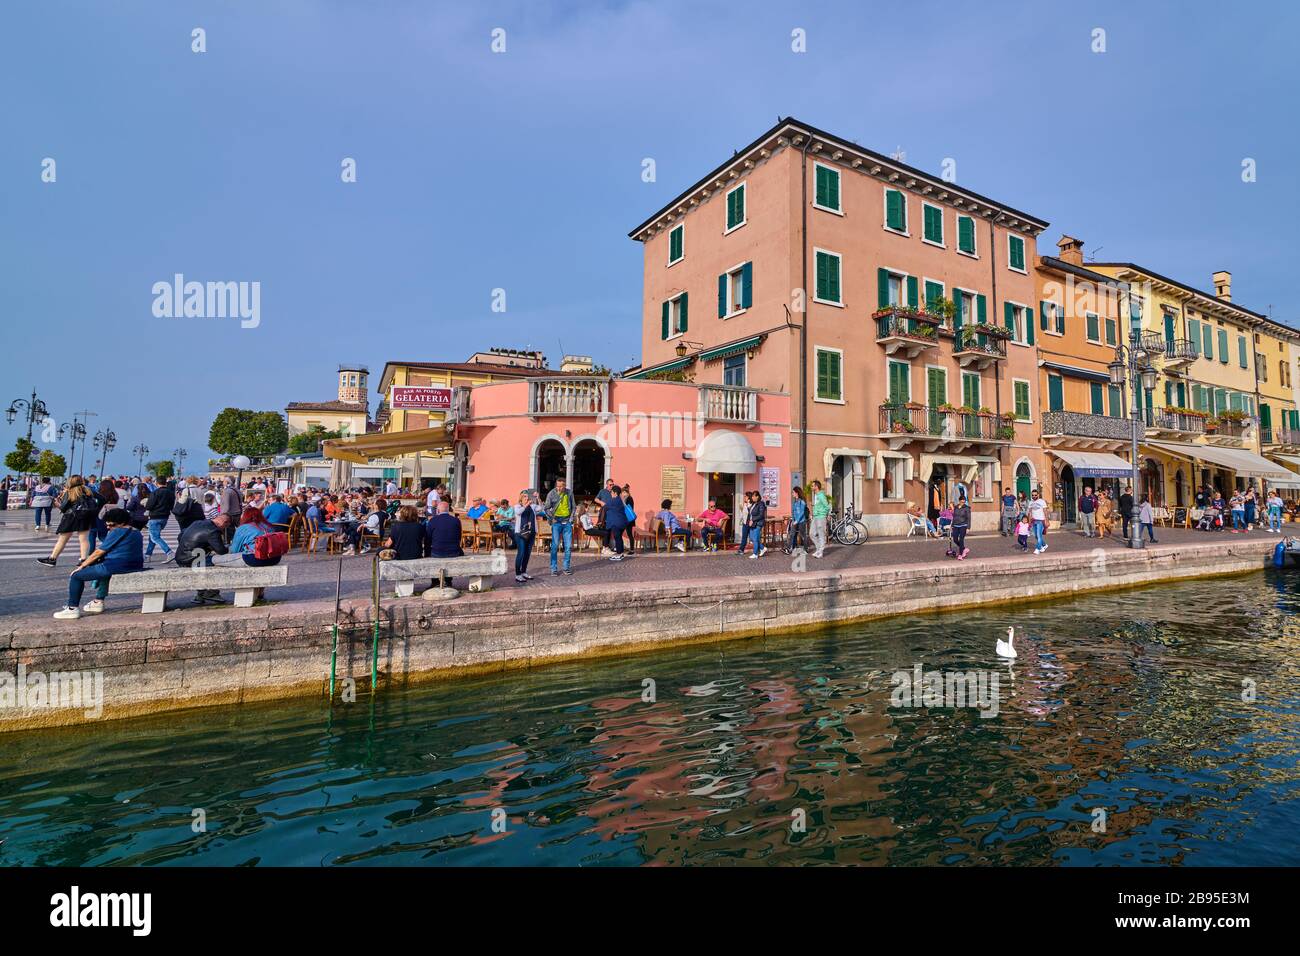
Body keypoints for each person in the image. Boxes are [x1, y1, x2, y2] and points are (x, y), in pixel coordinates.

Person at [53, 507, 144, 619]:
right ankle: (98, 602)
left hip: (117, 565)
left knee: (76, 576)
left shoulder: (117, 532)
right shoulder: (136, 532)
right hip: (135, 565)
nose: (108, 528)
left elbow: (98, 552)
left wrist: (82, 566)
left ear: (121, 523)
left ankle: (72, 608)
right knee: (105, 575)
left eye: (112, 525)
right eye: (107, 525)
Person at [38, 475, 96, 567]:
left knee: (62, 540)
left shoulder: (70, 492)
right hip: (85, 516)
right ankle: (84, 559)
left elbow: (63, 508)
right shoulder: (88, 490)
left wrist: (57, 503)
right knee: (84, 539)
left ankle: (52, 559)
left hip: (70, 517)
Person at [176, 515, 230, 606]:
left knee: (205, 563)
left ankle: (201, 594)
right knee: (220, 563)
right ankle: (211, 592)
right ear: (224, 523)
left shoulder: (197, 522)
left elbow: (180, 536)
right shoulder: (213, 530)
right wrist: (228, 548)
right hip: (192, 560)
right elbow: (221, 551)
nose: (224, 529)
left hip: (180, 557)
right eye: (226, 527)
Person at [544, 477, 576, 575]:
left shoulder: (569, 493)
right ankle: (554, 568)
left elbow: (574, 507)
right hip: (556, 521)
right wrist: (552, 518)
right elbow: (546, 508)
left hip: (567, 522)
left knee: (568, 546)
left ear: (564, 486)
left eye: (561, 486)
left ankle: (566, 567)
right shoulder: (551, 494)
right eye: (557, 486)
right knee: (554, 546)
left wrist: (570, 519)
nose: (559, 488)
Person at [511, 492, 537, 582]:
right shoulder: (517, 506)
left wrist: (538, 498)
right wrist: (526, 505)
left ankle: (524, 572)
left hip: (531, 532)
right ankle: (518, 574)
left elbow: (541, 508)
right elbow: (518, 513)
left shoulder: (532, 506)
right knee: (521, 553)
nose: (527, 499)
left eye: (527, 497)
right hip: (520, 533)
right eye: (525, 497)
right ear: (521, 499)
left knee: (527, 553)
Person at [601, 484, 629, 561]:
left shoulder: (613, 501)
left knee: (617, 538)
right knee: (619, 538)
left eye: (611, 492)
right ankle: (621, 553)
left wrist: (601, 503)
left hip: (616, 523)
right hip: (621, 522)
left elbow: (605, 506)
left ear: (615, 493)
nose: (611, 494)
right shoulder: (619, 500)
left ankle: (619, 554)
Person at [742, 492, 767, 558]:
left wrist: (753, 519)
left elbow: (761, 515)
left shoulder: (761, 504)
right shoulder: (754, 504)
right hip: (752, 523)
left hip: (758, 523)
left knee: (755, 539)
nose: (752, 498)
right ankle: (762, 548)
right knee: (752, 538)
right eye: (752, 496)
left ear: (757, 497)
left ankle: (755, 554)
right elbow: (750, 512)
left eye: (753, 496)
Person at [810, 480, 830, 559]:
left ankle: (820, 552)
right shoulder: (816, 495)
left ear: (816, 487)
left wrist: (823, 514)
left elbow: (827, 506)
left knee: (821, 535)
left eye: (812, 486)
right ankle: (818, 549)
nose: (811, 487)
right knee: (811, 534)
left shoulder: (821, 495)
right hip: (815, 517)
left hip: (821, 517)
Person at [785, 488, 809, 553]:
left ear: (797, 493)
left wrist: (797, 521)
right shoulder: (795, 502)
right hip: (795, 521)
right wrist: (793, 519)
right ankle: (789, 549)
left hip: (801, 521)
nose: (792, 494)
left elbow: (801, 512)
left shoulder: (802, 502)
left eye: (793, 492)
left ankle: (806, 549)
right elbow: (793, 512)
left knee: (803, 535)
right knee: (792, 534)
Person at [949, 495, 971, 560]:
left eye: (964, 502)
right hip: (956, 525)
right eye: (962, 502)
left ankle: (960, 555)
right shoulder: (956, 507)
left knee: (961, 539)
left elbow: (969, 518)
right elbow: (954, 517)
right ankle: (964, 549)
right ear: (959, 501)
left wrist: (968, 527)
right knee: (955, 539)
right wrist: (952, 525)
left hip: (963, 526)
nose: (963, 503)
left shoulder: (967, 508)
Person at [1027, 487, 1048, 554]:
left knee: (1039, 535)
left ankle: (1038, 548)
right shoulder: (1030, 502)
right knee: (1036, 536)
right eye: (1033, 495)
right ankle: (1044, 545)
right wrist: (1029, 521)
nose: (1034, 496)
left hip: (1040, 521)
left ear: (1038, 495)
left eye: (1035, 495)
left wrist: (1046, 520)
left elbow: (1045, 511)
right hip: (1034, 521)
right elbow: (1029, 512)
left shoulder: (1042, 501)